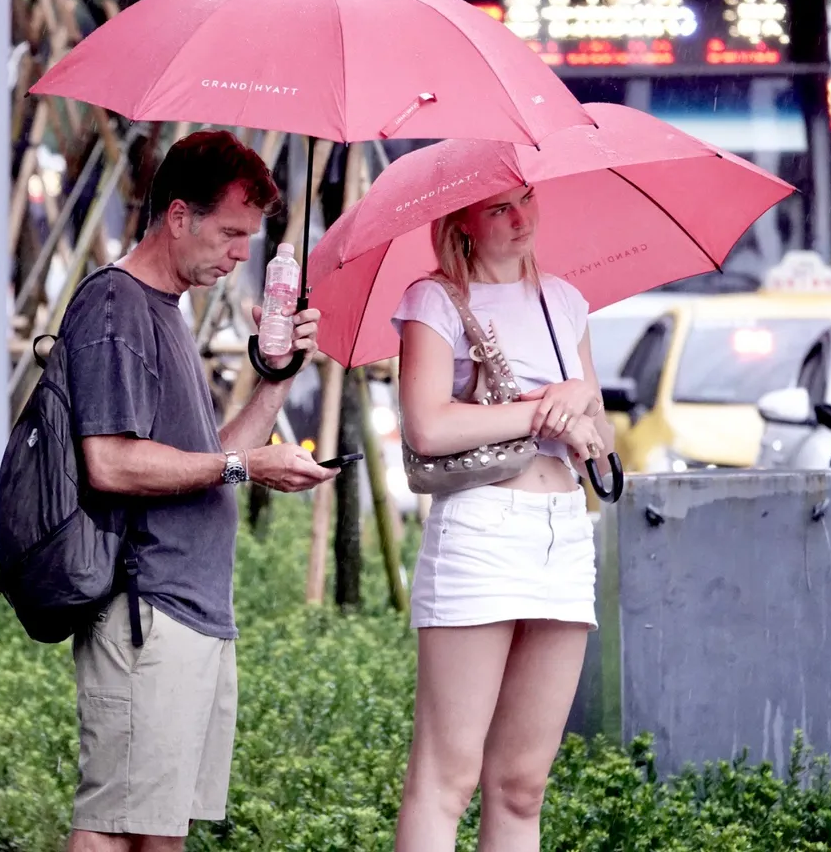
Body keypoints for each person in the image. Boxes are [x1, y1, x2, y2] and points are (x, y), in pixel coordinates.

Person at [60, 130, 338, 852]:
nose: (241, 253)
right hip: (146, 607)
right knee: (113, 823)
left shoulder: (164, 311)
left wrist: (278, 374)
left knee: (158, 829)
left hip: (191, 610)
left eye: (252, 237)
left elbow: (211, 455)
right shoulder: (117, 308)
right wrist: (248, 469)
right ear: (179, 216)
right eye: (231, 232)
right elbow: (113, 464)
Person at [389, 183, 615, 851]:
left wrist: (581, 412)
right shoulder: (434, 300)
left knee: (522, 785)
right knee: (447, 778)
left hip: (564, 531)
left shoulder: (564, 302)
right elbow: (426, 424)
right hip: (481, 529)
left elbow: (597, 434)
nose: (520, 219)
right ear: (462, 220)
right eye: (497, 208)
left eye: (524, 199)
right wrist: (549, 404)